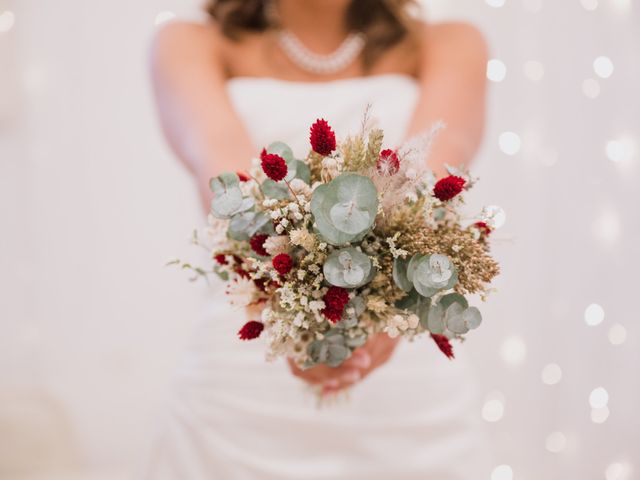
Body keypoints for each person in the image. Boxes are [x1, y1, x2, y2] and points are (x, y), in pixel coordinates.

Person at [145, 1, 489, 478]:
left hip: (407, 391)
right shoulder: (189, 42)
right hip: (245, 383)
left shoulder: (449, 42)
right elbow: (228, 184)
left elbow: (430, 184)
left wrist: (381, 317)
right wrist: (298, 324)